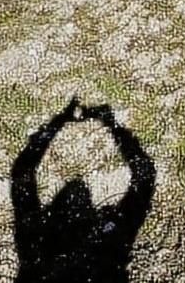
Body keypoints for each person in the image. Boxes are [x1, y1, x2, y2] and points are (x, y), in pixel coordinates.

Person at [11, 98, 156, 282]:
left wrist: (56, 124)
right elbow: (145, 175)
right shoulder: (107, 244)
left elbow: (22, 173)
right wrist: (110, 122)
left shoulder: (36, 248)